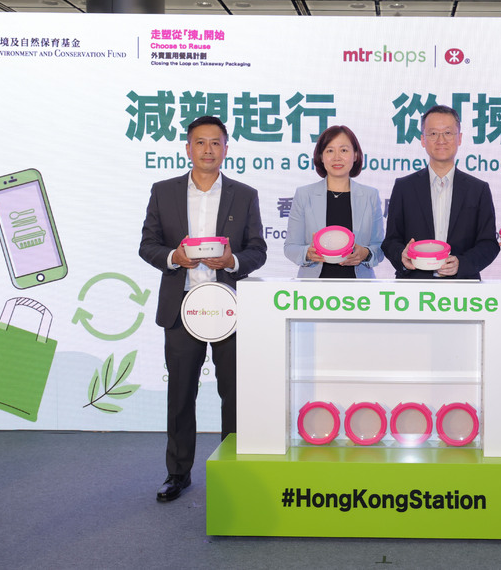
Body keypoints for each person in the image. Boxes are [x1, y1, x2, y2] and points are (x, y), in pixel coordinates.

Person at [139, 115, 267, 502]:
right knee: (180, 394)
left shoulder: (244, 194)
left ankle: (233, 471)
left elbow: (257, 250)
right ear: (188, 148)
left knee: (234, 394)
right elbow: (148, 245)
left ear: (226, 149)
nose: (208, 150)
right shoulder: (164, 191)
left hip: (229, 310)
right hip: (181, 309)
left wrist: (231, 262)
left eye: (216, 143)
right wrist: (175, 257)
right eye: (200, 142)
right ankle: (177, 474)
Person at [382, 104, 499, 279]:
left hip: (464, 293)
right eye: (433, 133)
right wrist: (402, 256)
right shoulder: (404, 187)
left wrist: (462, 263)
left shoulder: (478, 189)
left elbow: (489, 243)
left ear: (459, 138)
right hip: (414, 288)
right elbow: (391, 241)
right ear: (423, 139)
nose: (441, 140)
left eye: (448, 133)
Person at [284, 125, 384, 277]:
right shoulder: (304, 194)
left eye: (344, 150)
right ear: (321, 157)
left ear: (355, 155)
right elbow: (290, 247)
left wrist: (365, 253)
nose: (337, 157)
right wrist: (307, 253)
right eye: (330, 150)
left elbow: (380, 247)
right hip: (313, 289)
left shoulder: (370, 195)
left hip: (361, 291)